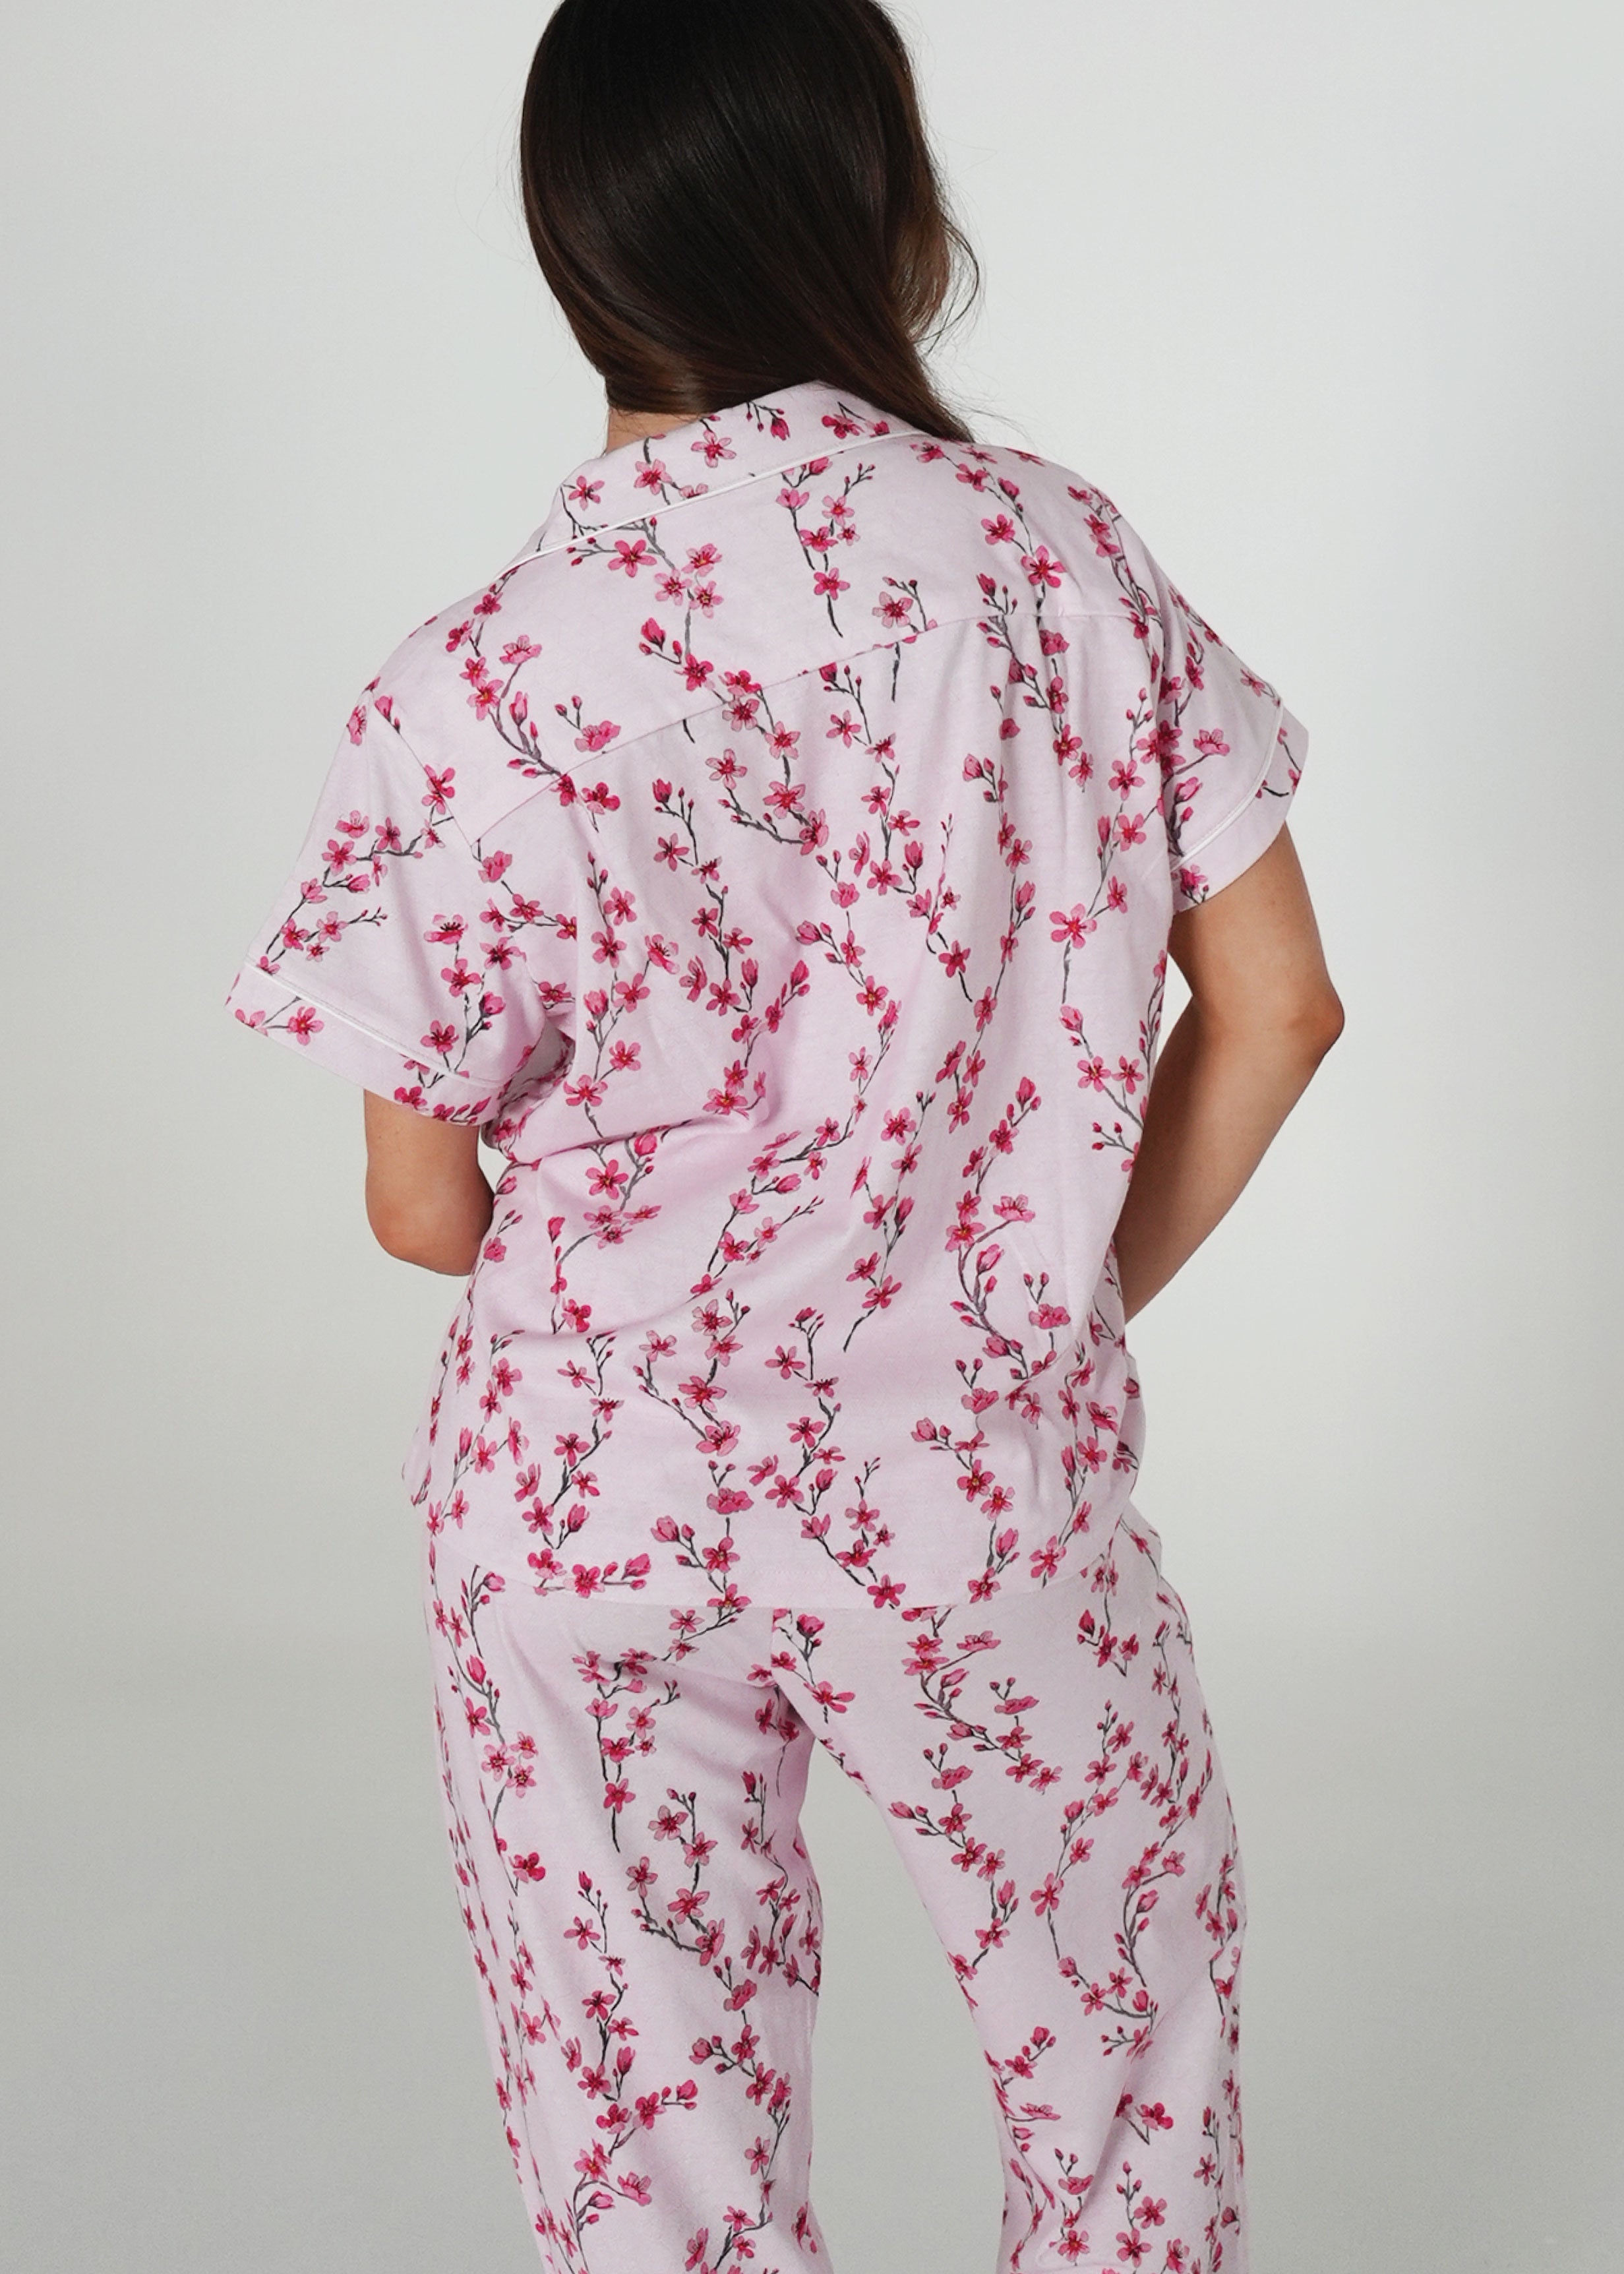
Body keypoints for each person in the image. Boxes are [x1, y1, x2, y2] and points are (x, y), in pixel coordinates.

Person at [227, 1, 1342, 2267]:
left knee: (650, 2156)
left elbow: (419, 1211)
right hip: (974, 1490)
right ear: (887, 213)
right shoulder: (1056, 564)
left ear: (571, 240)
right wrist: (1041, 1290)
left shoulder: (470, 685)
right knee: (1123, 2076)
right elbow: (1281, 1006)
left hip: (587, 1501)